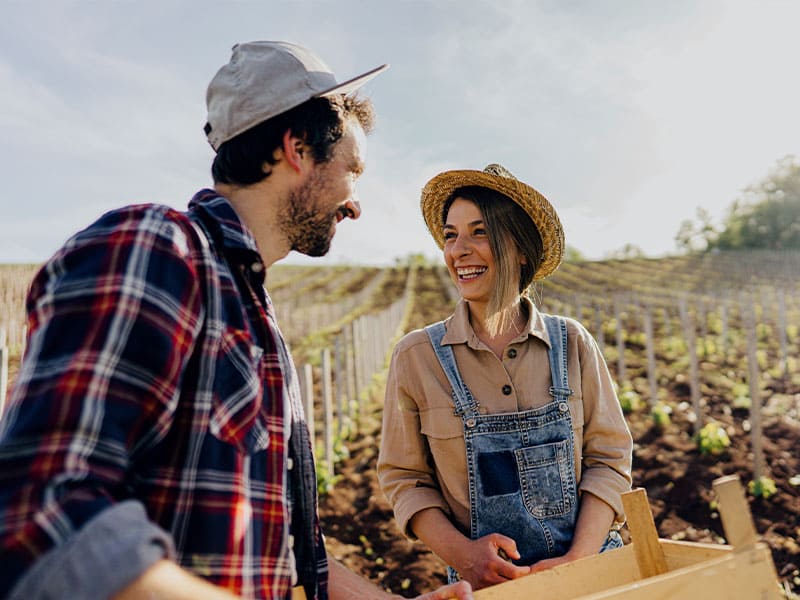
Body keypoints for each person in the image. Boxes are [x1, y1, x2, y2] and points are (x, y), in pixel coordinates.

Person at [0, 41, 472, 600]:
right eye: (353, 170)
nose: (356, 204)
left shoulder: (255, 322)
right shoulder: (156, 248)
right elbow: (41, 509)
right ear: (296, 148)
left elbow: (290, 559)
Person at [377, 164, 633, 591]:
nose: (459, 249)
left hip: (594, 573)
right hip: (489, 585)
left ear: (520, 249)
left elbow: (609, 460)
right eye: (451, 235)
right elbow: (405, 480)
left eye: (479, 232)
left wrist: (578, 561)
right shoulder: (417, 358)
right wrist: (465, 557)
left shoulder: (572, 343)